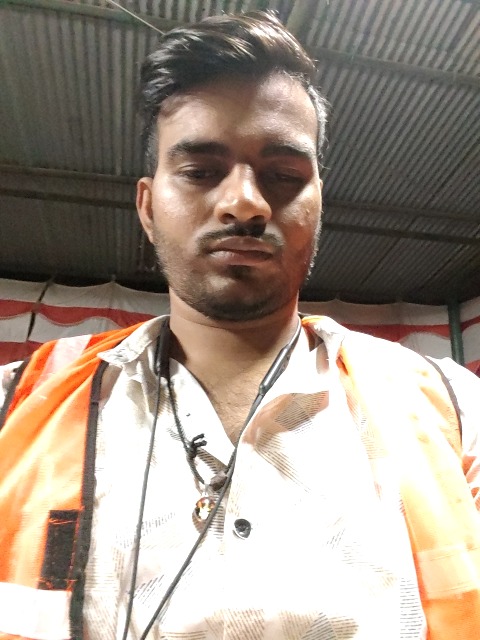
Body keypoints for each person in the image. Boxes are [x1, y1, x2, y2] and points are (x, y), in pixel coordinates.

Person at [0, 10, 479, 640]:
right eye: (201, 172)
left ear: (318, 204)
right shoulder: (13, 405)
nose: (245, 203)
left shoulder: (455, 411)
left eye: (283, 176)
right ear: (147, 207)